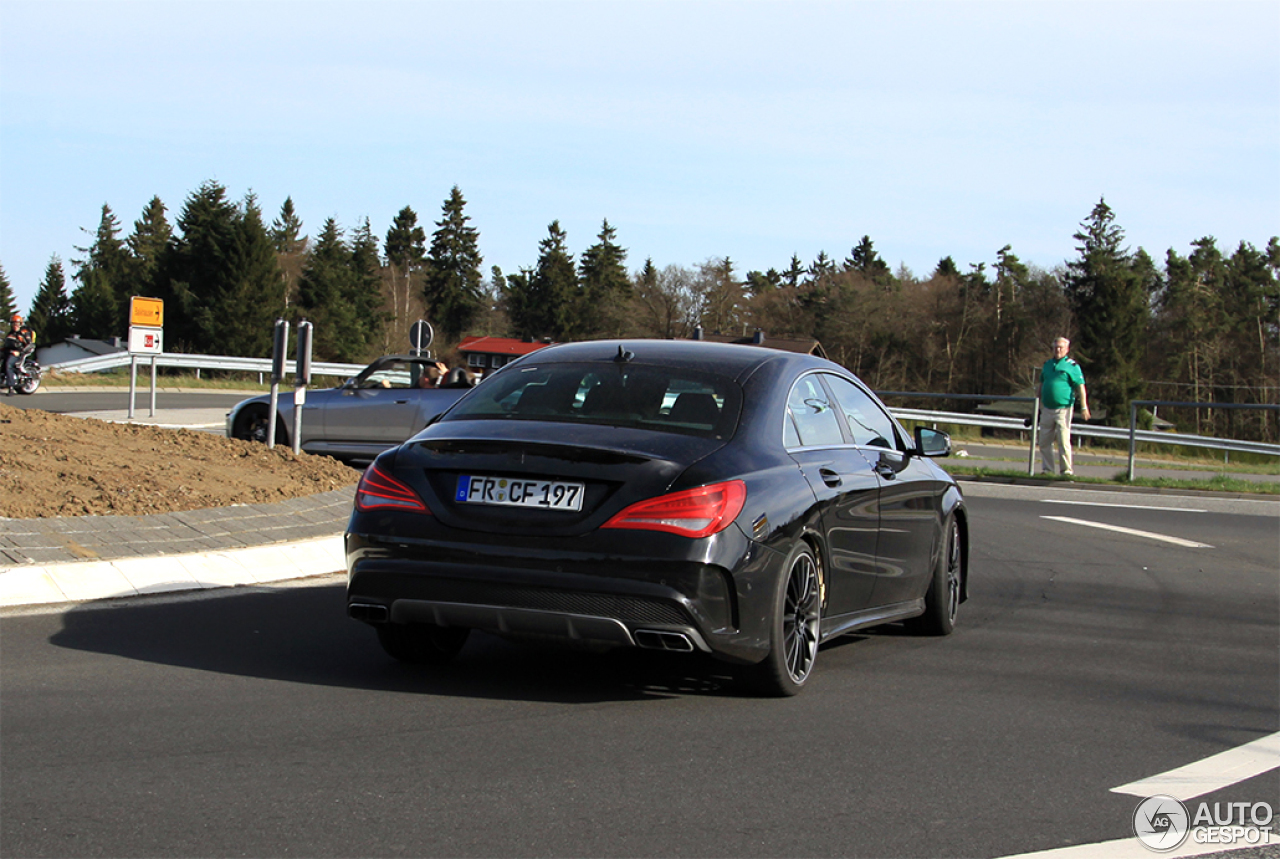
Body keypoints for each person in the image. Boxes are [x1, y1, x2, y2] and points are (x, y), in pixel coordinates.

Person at [1038, 336, 1090, 476]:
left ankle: (1066, 470)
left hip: (1063, 408)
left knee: (1063, 440)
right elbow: (1042, 384)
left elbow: (1080, 387)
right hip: (1047, 408)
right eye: (1055, 347)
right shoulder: (1048, 364)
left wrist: (1084, 406)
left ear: (1067, 349)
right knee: (1044, 441)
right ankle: (1047, 469)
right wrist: (1038, 403)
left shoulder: (1071, 366)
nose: (1058, 350)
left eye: (1061, 347)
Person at [3, 313, 36, 396]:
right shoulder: (10, 334)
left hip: (18, 353)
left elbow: (30, 345)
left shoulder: (24, 333)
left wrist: (20, 352)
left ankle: (11, 387)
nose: (15, 325)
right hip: (8, 352)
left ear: (20, 324)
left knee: (8, 365)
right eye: (13, 323)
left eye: (17, 323)